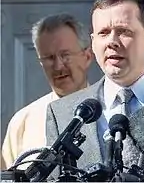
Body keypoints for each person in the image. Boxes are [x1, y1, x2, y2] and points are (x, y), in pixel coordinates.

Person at [46, 0, 144, 181]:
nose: (112, 42)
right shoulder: (62, 114)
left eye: (123, 31)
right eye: (103, 33)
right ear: (93, 43)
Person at [2, 13, 93, 169]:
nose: (58, 66)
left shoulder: (111, 112)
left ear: (87, 56)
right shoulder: (23, 122)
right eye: (49, 58)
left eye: (65, 55)